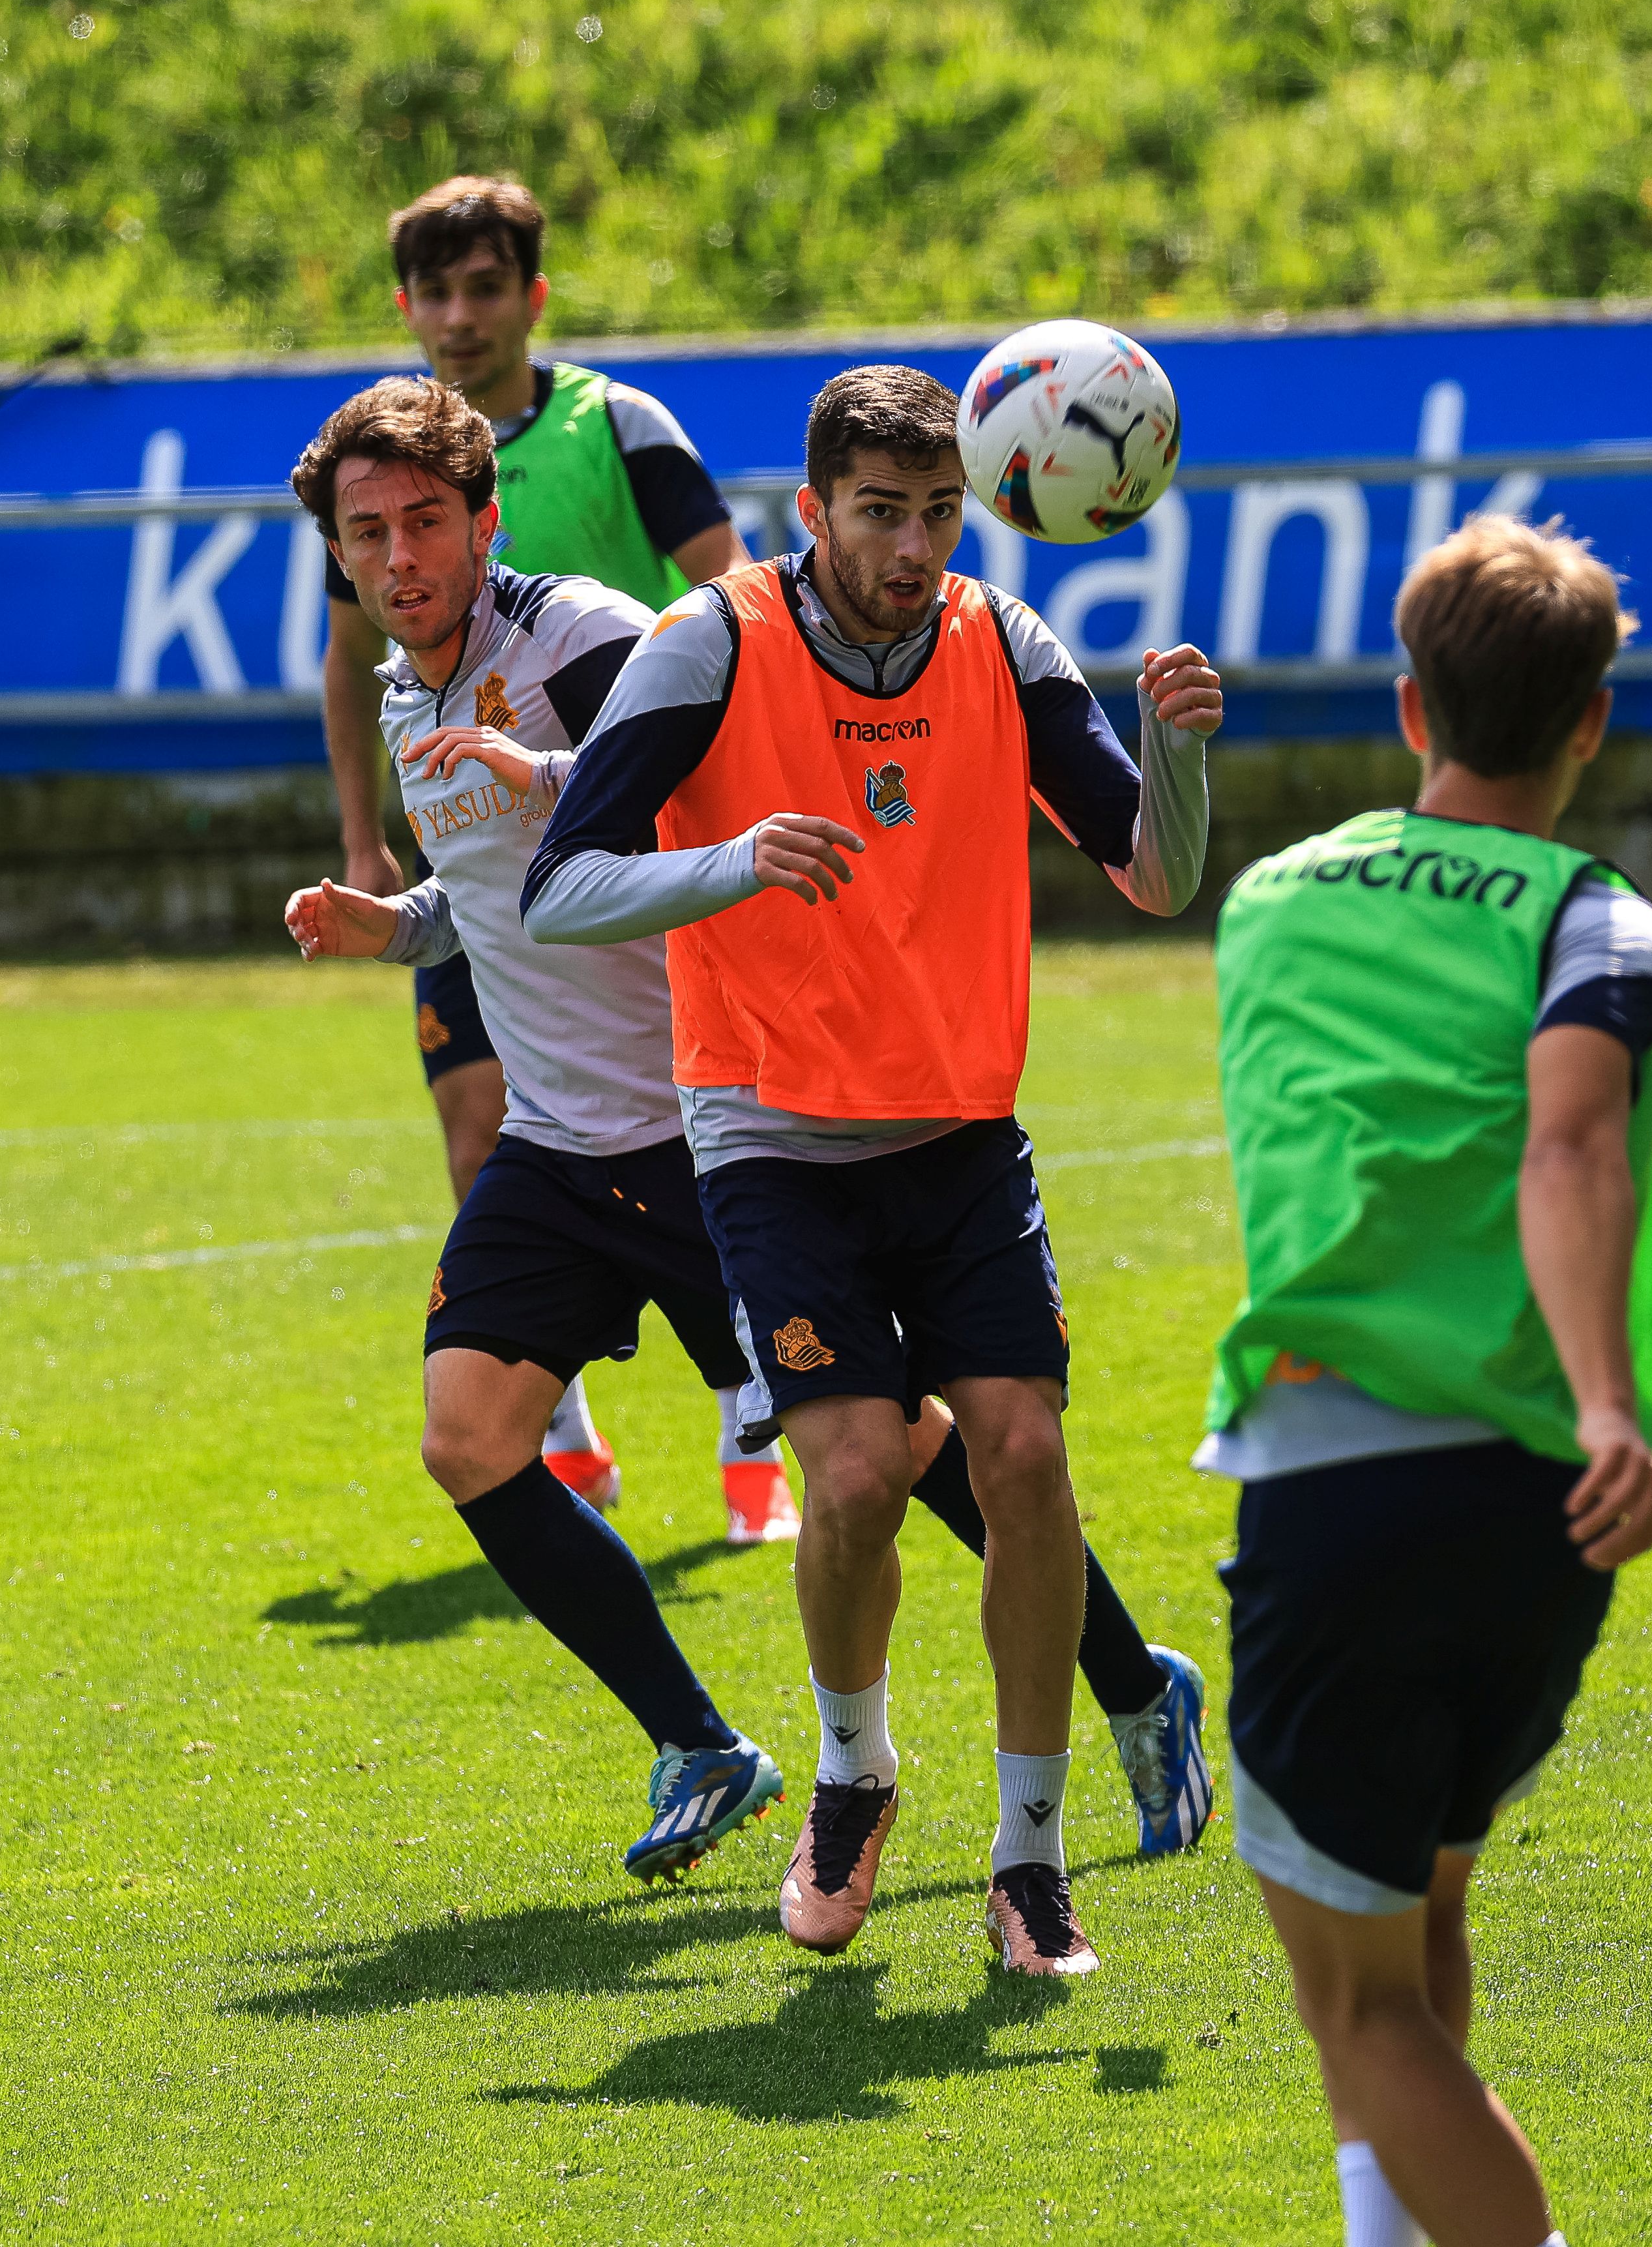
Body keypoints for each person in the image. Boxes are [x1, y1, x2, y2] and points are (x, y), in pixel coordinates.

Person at [280, 376, 1217, 1877]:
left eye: (428, 522)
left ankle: (1125, 1682)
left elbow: (674, 791)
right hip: (562, 1139)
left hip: (716, 1120)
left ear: (487, 519)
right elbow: (509, 896)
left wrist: (542, 771)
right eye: (368, 532)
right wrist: (395, 929)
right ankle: (702, 1745)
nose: (400, 557)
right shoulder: (410, 690)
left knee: (902, 1455)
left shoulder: (580, 636)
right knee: (470, 1440)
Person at [1200, 515, 1652, 2247]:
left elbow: (1530, 1173)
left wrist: (1614, 1399)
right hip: (1542, 1513)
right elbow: (1556, 1169)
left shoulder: (1273, 906)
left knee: (1356, 2008)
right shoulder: (1606, 928)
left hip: (1343, 1481)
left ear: (1405, 702)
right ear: (1593, 721)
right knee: (1421, 1897)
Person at [524, 366, 1226, 1976]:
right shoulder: (712, 639)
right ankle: (853, 1773)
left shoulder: (1001, 639)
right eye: (880, 513)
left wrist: (1183, 753)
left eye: (937, 513)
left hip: (962, 1131)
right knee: (849, 1483)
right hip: (772, 1130)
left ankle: (1031, 1860)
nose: (912, 548)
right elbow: (563, 884)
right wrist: (735, 859)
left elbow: (1156, 873)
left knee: (1024, 1460)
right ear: (813, 512)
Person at [315, 175, 760, 1525]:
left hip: (641, 874)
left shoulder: (613, 437)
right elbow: (353, 670)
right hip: (479, 859)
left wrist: (574, 755)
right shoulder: (376, 476)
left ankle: (759, 1426)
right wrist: (367, 862)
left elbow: (729, 604)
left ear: (532, 297)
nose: (458, 317)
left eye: (484, 288)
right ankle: (559, 1431)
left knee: (837, 1380)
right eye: (433, 294)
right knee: (478, 1124)